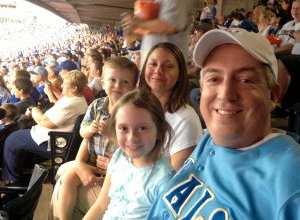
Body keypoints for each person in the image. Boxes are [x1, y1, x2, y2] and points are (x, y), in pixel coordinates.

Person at [146, 29, 300, 220]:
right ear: (202, 90)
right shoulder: (209, 137)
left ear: (272, 96)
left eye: (245, 80)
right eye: (214, 79)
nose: (225, 93)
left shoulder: (291, 181)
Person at [49, 57, 139, 220]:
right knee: (67, 178)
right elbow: (83, 134)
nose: (118, 85)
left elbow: (135, 146)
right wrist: (89, 130)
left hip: (114, 171)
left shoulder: (133, 113)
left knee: (65, 179)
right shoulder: (97, 106)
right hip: (92, 160)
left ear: (133, 87)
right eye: (112, 80)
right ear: (103, 83)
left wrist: (112, 135)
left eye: (125, 82)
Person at [83, 89, 176, 220]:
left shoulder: (164, 180)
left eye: (142, 128)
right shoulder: (119, 155)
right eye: (123, 128)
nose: (132, 138)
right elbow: (101, 206)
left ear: (160, 131)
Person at [1, 70, 88, 185]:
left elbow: (44, 121)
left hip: (51, 141)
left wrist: (33, 109)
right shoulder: (77, 100)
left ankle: (12, 180)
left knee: (12, 140)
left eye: (65, 84)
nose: (61, 85)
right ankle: (20, 172)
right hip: (53, 137)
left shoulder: (71, 104)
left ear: (74, 88)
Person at [139, 42, 203, 171]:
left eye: (168, 66)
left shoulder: (186, 119)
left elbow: (175, 181)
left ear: (180, 75)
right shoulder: (135, 107)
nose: (158, 70)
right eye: (153, 64)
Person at [121, 0, 191, 68]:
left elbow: (170, 25)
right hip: (156, 68)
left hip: (167, 69)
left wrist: (136, 23)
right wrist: (137, 33)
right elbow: (159, 32)